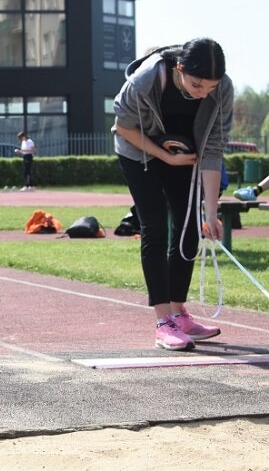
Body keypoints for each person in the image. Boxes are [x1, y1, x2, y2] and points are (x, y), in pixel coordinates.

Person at [113, 38, 233, 351]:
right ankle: (163, 321)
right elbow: (123, 127)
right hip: (139, 150)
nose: (203, 93)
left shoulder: (222, 89)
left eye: (210, 87)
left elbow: (213, 148)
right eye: (197, 85)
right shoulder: (146, 80)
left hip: (183, 150)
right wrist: (163, 157)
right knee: (154, 224)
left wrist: (210, 212)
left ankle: (179, 313)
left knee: (190, 224)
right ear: (179, 69)